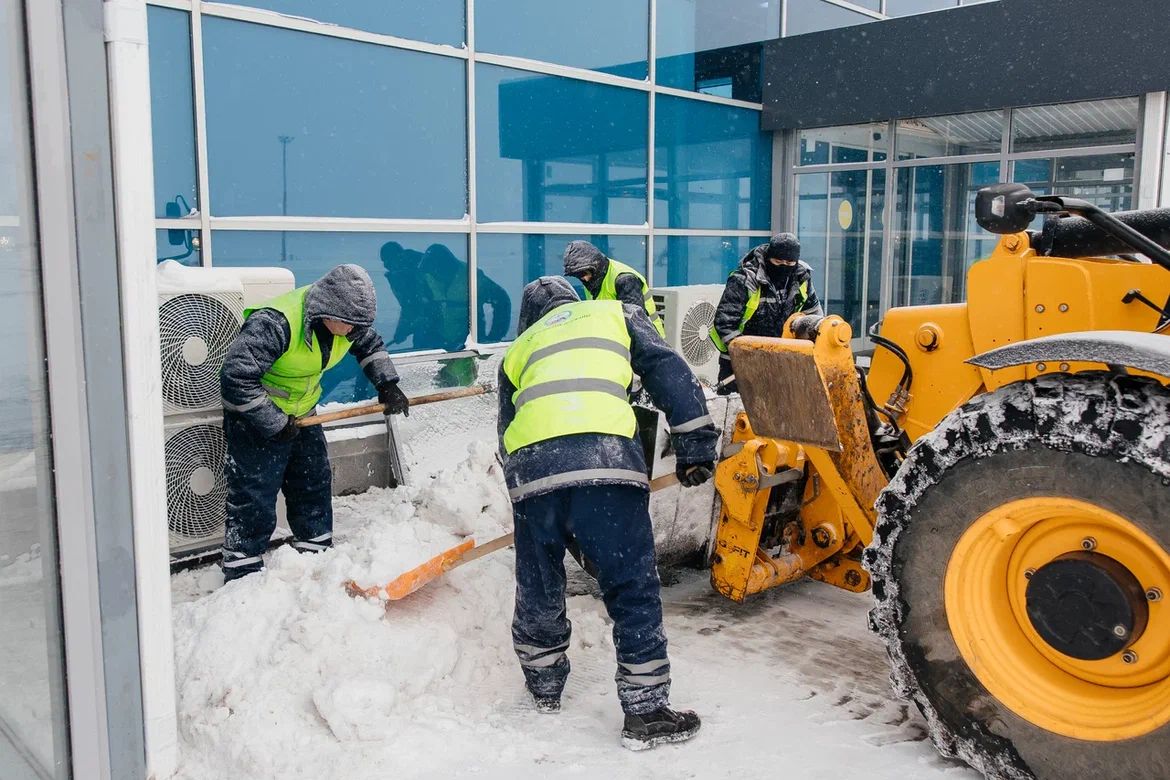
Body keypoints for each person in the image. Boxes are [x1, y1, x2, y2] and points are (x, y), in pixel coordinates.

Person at [497, 276, 718, 750]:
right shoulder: (615, 313)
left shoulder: (518, 349)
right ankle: (646, 712)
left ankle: (544, 686)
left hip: (531, 474)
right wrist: (695, 444)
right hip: (605, 464)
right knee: (631, 584)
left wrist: (533, 500)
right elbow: (667, 370)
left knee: (538, 580)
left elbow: (505, 428)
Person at [218, 264, 410, 582]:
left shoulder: (349, 322)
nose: (352, 331)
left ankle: (316, 552)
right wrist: (274, 422)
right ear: (327, 310)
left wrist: (387, 384)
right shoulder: (275, 323)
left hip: (304, 411)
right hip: (255, 415)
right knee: (255, 491)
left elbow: (370, 346)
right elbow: (236, 378)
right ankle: (242, 570)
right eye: (348, 324)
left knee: (312, 480)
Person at [710, 232, 823, 394]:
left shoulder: (801, 277)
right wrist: (749, 352)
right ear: (769, 257)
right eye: (778, 261)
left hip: (780, 357)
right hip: (738, 361)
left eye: (789, 262)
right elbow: (724, 322)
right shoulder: (745, 279)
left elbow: (814, 316)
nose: (783, 266)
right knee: (737, 411)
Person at [562, 240, 666, 338]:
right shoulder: (592, 280)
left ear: (596, 265)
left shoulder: (625, 279)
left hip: (649, 338)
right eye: (578, 276)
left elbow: (634, 323)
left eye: (584, 273)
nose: (584, 278)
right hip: (620, 336)